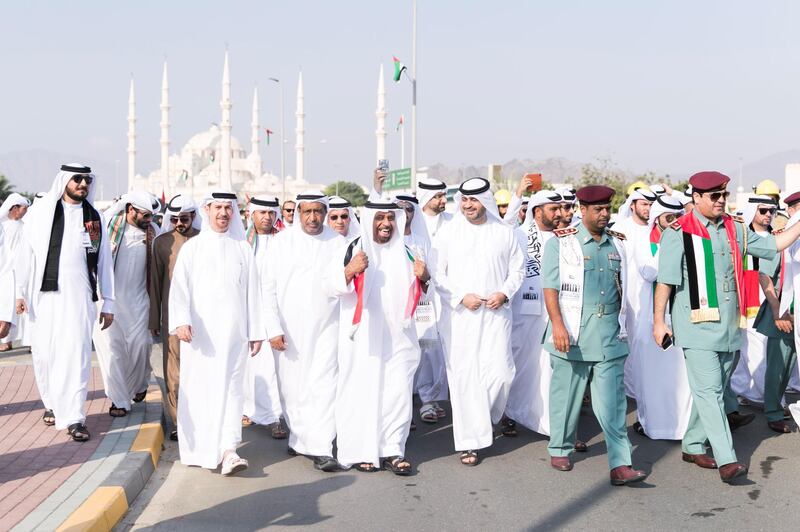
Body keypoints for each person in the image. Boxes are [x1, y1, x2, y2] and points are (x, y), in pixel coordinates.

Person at [654, 171, 800, 483]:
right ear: (696, 198)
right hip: (695, 328)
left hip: (728, 328)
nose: (722, 201)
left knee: (715, 391)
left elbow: (776, 244)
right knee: (708, 391)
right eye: (714, 196)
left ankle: (693, 444)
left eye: (724, 195)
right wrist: (658, 322)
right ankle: (727, 459)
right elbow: (665, 281)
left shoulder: (735, 229)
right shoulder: (679, 231)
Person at [542, 185, 646, 486]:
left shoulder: (618, 245)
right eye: (597, 209)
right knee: (566, 394)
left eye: (607, 209)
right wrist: (558, 325)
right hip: (573, 330)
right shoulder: (561, 244)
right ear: (582, 210)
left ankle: (621, 463)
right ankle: (560, 446)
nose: (604, 214)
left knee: (612, 403)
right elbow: (551, 288)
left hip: (610, 332)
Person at [169, 191, 264, 476]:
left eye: (228, 208)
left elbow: (253, 293)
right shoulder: (193, 248)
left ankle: (228, 450)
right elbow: (180, 289)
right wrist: (182, 321)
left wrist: (256, 331)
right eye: (218, 207)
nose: (223, 213)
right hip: (200, 337)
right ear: (207, 210)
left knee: (233, 389)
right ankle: (200, 448)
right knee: (201, 389)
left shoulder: (243, 249)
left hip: (234, 335)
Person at [17, 164, 115, 441]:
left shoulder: (94, 219)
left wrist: (109, 301)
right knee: (46, 355)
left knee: (77, 355)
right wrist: (20, 293)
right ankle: (52, 403)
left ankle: (74, 418)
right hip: (43, 298)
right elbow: (26, 255)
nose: (83, 184)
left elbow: (104, 261)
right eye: (77, 179)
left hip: (79, 298)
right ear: (64, 182)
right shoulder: (41, 214)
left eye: (87, 180)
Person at [431, 177, 524, 466]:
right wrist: (460, 297)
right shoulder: (448, 232)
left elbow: (517, 270)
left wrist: (504, 293)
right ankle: (470, 442)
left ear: (484, 201)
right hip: (461, 317)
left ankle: (487, 419)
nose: (468, 205)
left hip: (496, 313)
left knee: (501, 374)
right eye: (464, 200)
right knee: (466, 379)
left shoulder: (503, 232)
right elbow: (437, 273)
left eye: (473, 200)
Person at [334, 199, 429, 474]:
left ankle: (393, 450)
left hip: (401, 338)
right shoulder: (352, 248)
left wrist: (426, 276)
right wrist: (350, 270)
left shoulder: (410, 251)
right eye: (379, 218)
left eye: (390, 217)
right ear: (368, 220)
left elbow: (428, 294)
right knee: (361, 391)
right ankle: (362, 450)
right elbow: (329, 287)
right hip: (362, 339)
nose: (386, 223)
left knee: (398, 392)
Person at [264, 192, 346, 472]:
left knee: (324, 385)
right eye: (307, 212)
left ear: (325, 213)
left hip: (329, 326)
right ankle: (300, 437)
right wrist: (272, 328)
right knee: (293, 388)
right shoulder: (281, 242)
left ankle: (321, 446)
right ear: (298, 213)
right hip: (290, 329)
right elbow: (268, 289)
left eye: (318, 212)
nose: (313, 218)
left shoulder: (339, 242)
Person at [628, 194, 692, 439]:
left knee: (680, 376)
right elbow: (649, 271)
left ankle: (681, 426)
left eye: (678, 217)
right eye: (669, 218)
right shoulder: (644, 240)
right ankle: (651, 424)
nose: (675, 222)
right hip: (653, 318)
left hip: (680, 314)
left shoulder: (687, 238)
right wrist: (670, 244)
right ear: (657, 219)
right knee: (651, 376)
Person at [503, 190, 563, 438]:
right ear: (537, 212)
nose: (560, 214)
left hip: (556, 313)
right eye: (553, 209)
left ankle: (551, 421)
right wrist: (517, 195)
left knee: (551, 369)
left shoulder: (565, 237)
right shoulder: (518, 235)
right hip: (524, 313)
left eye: (561, 209)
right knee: (521, 364)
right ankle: (511, 412)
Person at [94, 192, 156, 418]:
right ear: (130, 210)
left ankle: (139, 383)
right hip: (108, 302)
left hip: (140, 302)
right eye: (145, 215)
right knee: (112, 353)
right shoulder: (110, 227)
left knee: (141, 347)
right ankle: (118, 400)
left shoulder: (152, 233)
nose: (149, 219)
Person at [149, 194, 200, 440]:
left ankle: (201, 419)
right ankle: (178, 422)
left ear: (193, 217)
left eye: (185, 218)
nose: (180, 223)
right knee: (174, 369)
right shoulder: (162, 243)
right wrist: (154, 320)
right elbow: (155, 285)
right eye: (175, 219)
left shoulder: (205, 240)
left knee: (200, 370)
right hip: (172, 316)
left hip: (203, 316)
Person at [393, 194, 448, 424]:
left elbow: (434, 273)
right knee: (399, 358)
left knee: (427, 353)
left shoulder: (422, 240)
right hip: (396, 307)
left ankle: (427, 400)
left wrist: (425, 275)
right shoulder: (388, 241)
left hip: (423, 305)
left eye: (409, 209)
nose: (405, 213)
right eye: (401, 209)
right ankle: (400, 411)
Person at [751, 190, 800, 433]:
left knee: (790, 365)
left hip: (796, 312)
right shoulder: (782, 241)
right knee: (778, 366)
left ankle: (777, 407)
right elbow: (765, 276)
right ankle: (772, 411)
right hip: (781, 310)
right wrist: (778, 312)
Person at [242, 196, 287, 439]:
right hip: (250, 311)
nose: (267, 218)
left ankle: (275, 416)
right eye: (262, 213)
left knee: (274, 366)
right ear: (252, 215)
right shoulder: (243, 243)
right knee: (253, 364)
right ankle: (251, 408)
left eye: (271, 213)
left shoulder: (285, 241)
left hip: (279, 312)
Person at [728, 195, 777, 410]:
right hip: (745, 298)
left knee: (760, 348)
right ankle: (763, 396)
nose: (768, 215)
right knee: (748, 349)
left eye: (771, 211)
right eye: (762, 210)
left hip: (770, 298)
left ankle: (751, 391)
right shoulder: (742, 236)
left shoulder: (775, 237)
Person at [615, 188, 656, 399]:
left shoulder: (653, 230)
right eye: (644, 204)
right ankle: (628, 387)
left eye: (650, 205)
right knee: (628, 341)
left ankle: (641, 385)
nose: (648, 209)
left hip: (650, 294)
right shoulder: (620, 229)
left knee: (645, 340)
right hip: (627, 295)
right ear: (632, 205)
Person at [0, 193, 30, 351]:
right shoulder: (2, 225)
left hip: (18, 272)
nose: (25, 211)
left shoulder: (26, 227)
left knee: (17, 308)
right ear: (14, 208)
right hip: (4, 273)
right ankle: (6, 341)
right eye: (23, 208)